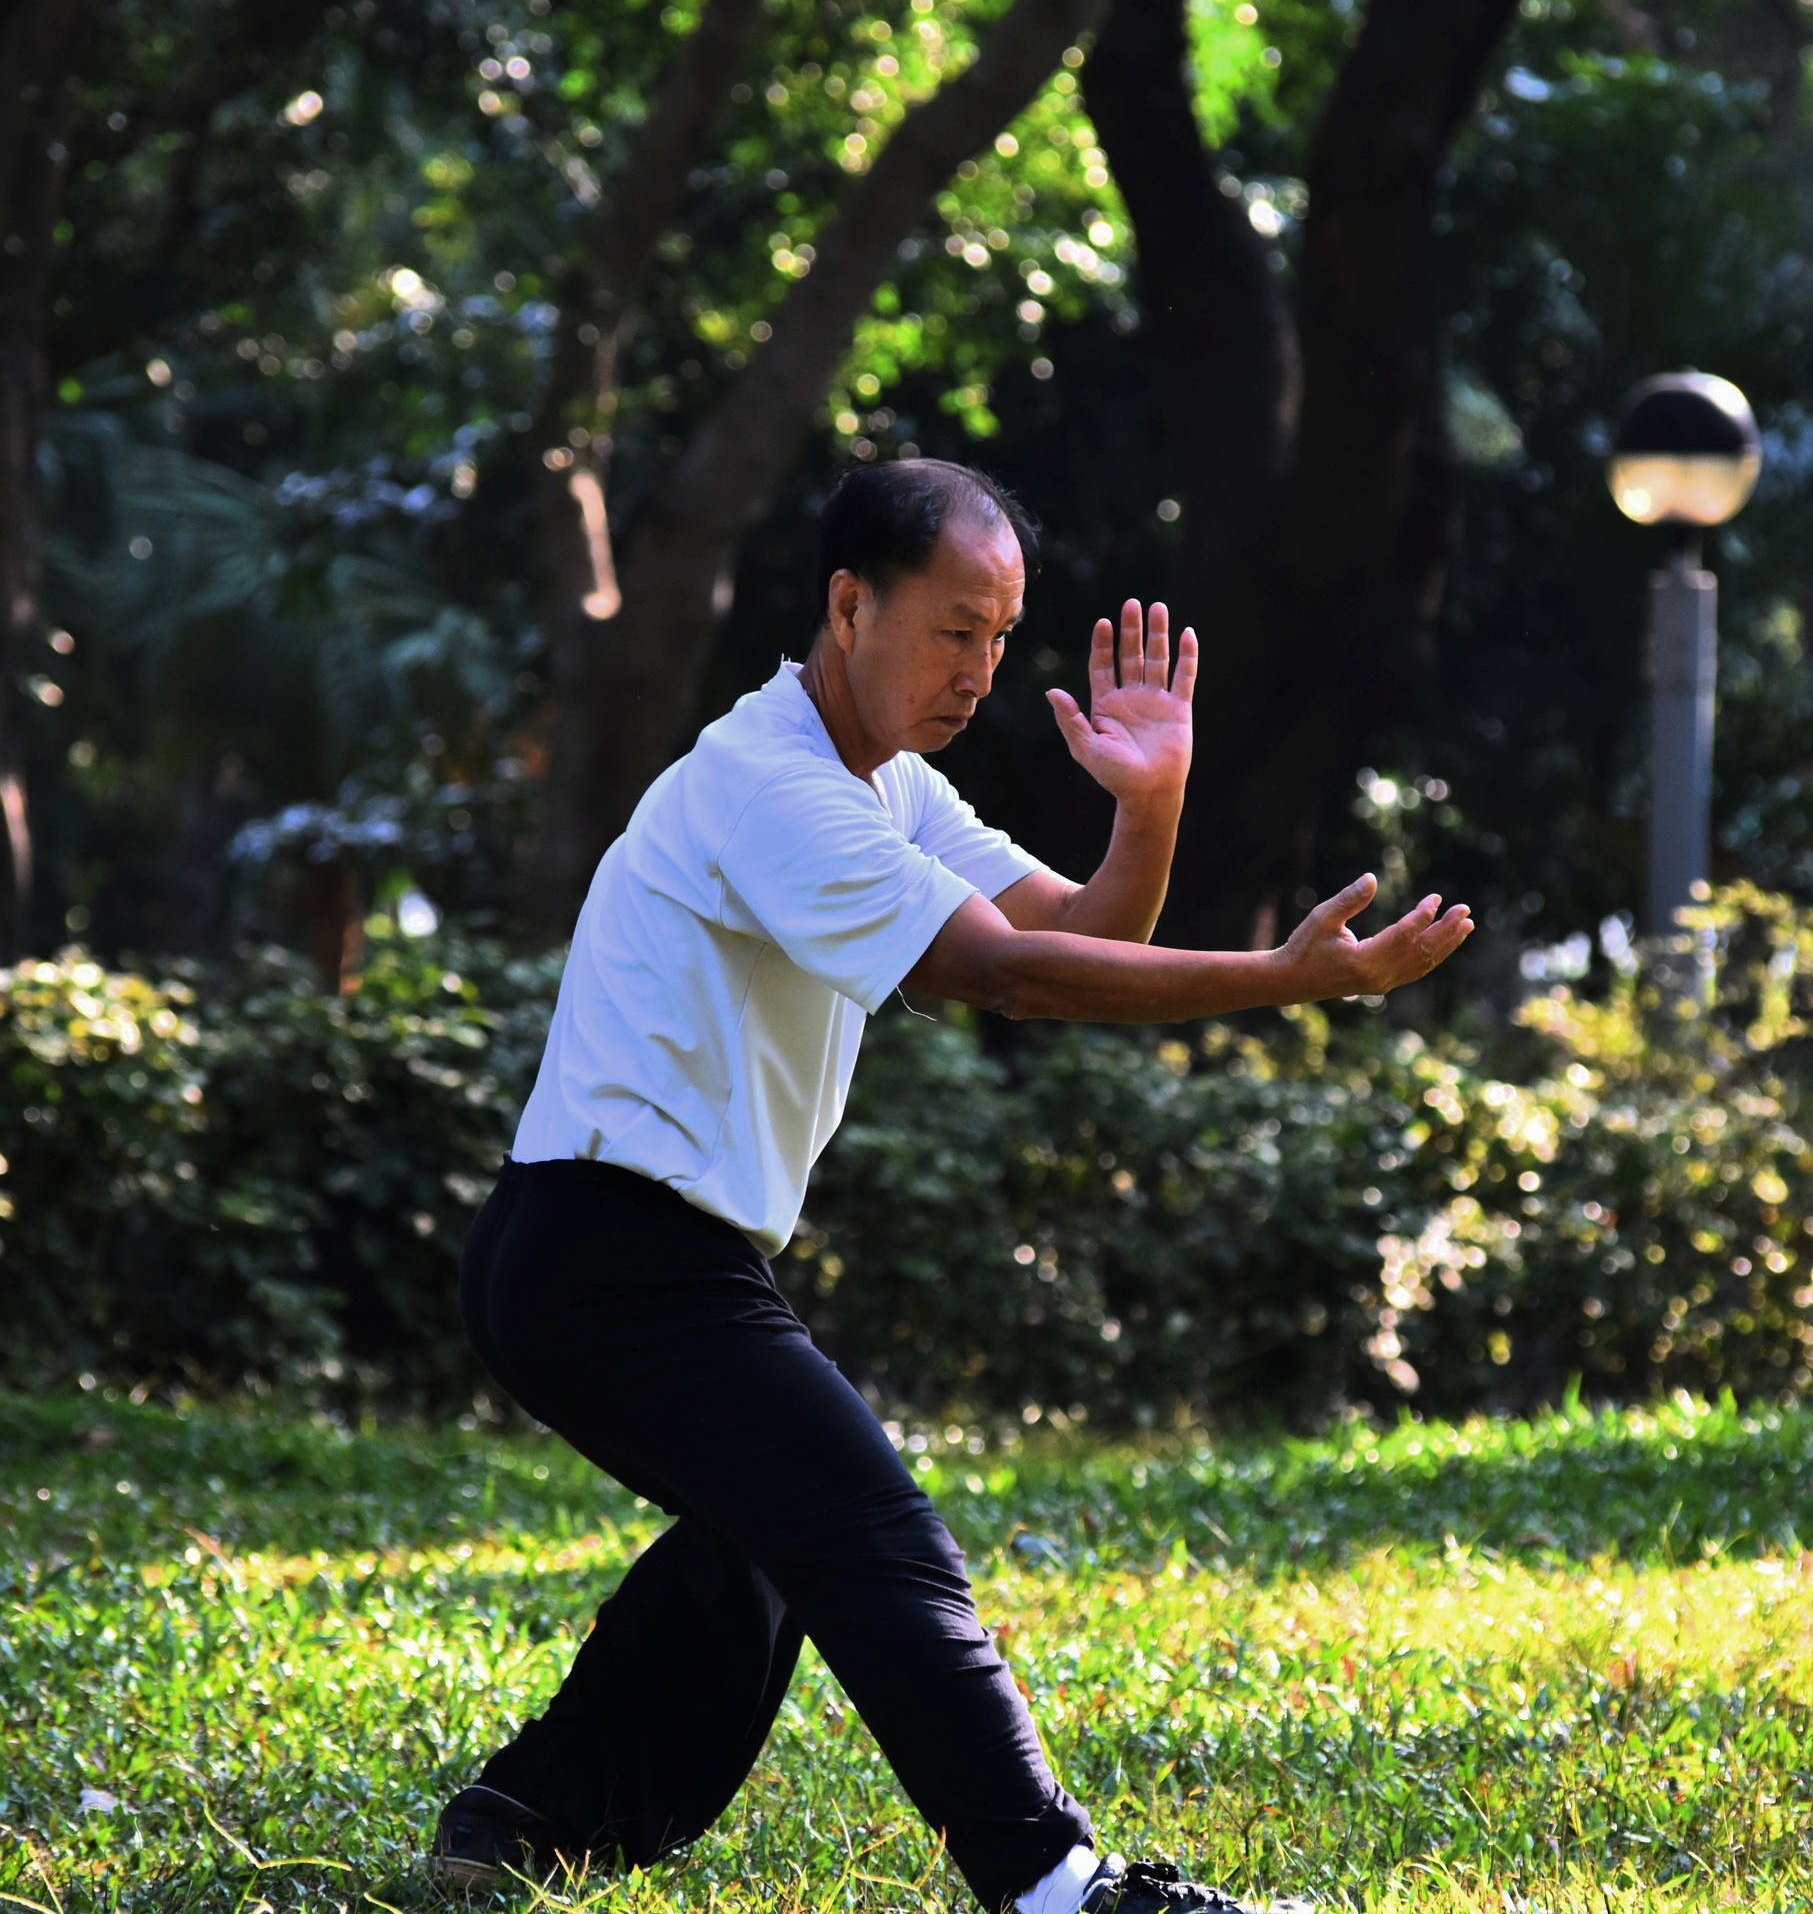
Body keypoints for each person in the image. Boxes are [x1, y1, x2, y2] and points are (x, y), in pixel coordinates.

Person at [432, 459, 1473, 1913]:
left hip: (631, 1256)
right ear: (850, 605)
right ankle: (1058, 1888)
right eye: (955, 629)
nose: (982, 671)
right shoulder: (772, 785)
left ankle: (521, 1831)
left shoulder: (889, 786)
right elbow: (1003, 976)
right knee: (868, 1538)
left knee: (775, 1539)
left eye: (1001, 635)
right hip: (607, 1255)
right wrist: (1286, 980)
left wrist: (1150, 804)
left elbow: (1080, 927)